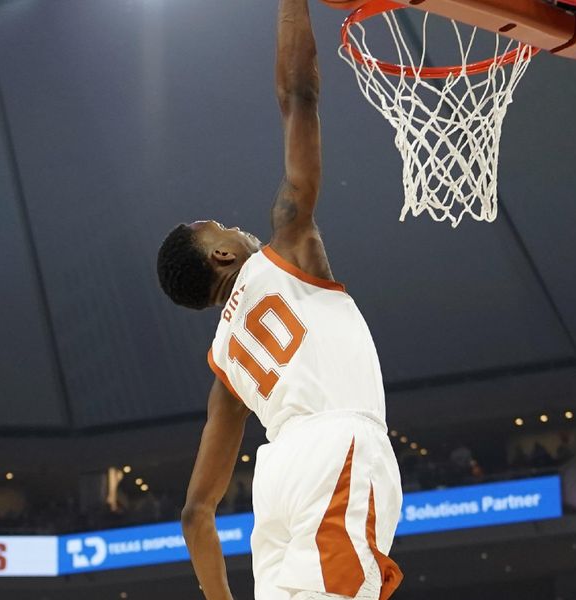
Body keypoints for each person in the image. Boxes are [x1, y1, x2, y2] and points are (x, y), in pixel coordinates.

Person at [155, 1, 403, 598]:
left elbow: (196, 514)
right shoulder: (286, 248)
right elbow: (299, 94)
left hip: (277, 480)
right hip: (337, 450)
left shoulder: (227, 363)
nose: (233, 227)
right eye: (219, 227)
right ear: (219, 256)